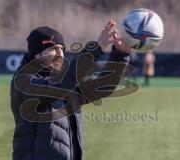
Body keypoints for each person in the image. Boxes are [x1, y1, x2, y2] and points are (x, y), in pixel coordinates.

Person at [10, 20, 132, 160]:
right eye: (54, 48)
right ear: (37, 54)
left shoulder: (64, 81)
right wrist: (96, 48)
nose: (60, 54)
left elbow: (102, 87)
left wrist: (120, 56)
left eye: (62, 49)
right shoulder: (24, 81)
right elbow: (62, 85)